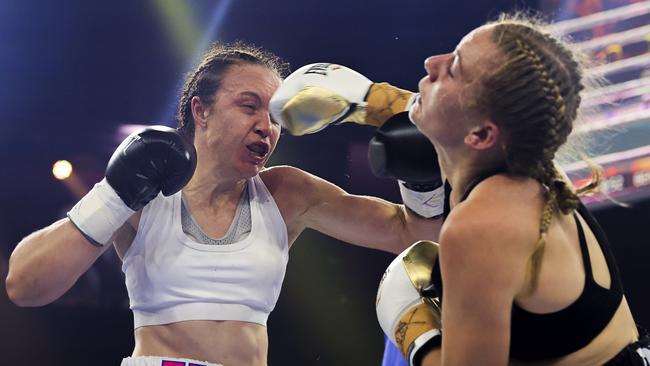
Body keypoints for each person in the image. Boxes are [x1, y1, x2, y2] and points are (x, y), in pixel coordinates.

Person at [5, 43, 444, 366]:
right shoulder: (146, 193)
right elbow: (24, 285)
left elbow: (415, 235)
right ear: (201, 110)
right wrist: (113, 195)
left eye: (274, 117)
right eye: (248, 106)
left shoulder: (287, 193)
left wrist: (418, 167)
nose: (265, 128)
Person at [371, 14, 650, 366]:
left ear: (481, 136)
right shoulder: (529, 166)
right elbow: (455, 116)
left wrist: (417, 336)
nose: (432, 63)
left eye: (454, 68)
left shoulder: (483, 224)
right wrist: (369, 100)